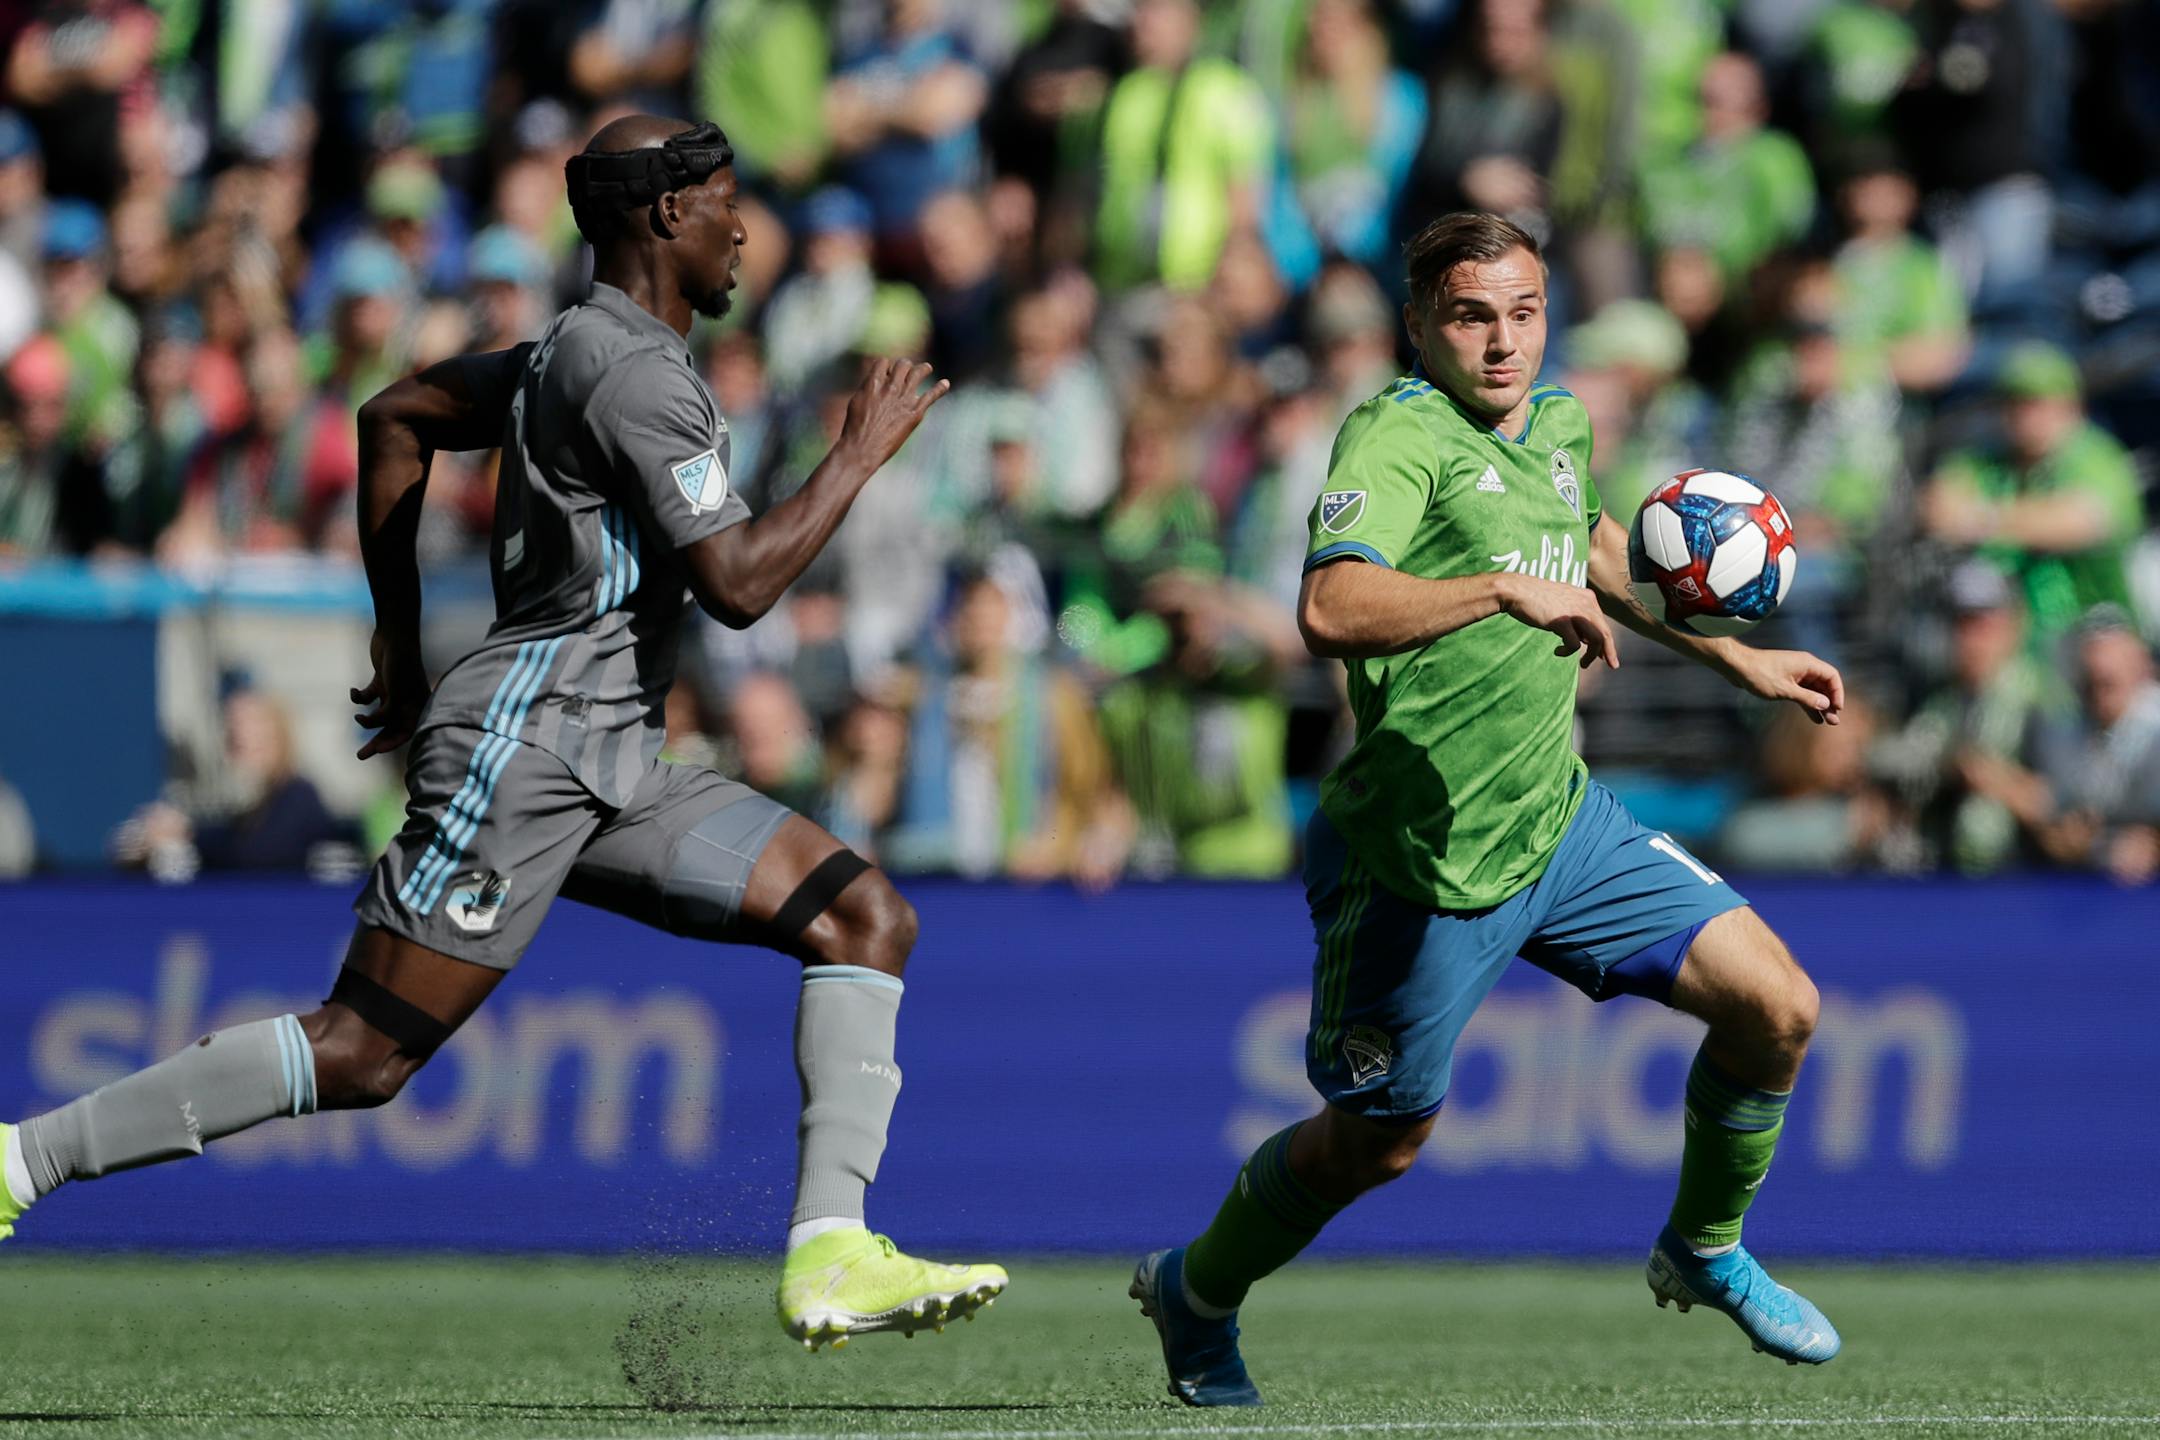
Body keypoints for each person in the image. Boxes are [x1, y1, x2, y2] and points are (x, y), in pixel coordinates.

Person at [0, 117, 1007, 1352]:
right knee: (363, 1052)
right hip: (532, 745)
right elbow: (740, 585)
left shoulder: (564, 355)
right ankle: (22, 1160)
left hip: (612, 756)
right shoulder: (634, 374)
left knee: (862, 917)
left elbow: (395, 414)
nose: (744, 229)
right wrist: (853, 457)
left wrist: (397, 645)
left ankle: (830, 1249)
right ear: (665, 215)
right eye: (724, 201)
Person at [1131, 212, 1849, 1407]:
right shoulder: (1397, 435)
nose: (1504, 342)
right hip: (1419, 865)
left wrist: (1738, 660)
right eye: (1472, 316)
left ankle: (1703, 1244)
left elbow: (1598, 551)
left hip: (1560, 823)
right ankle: (1196, 1291)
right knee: (1378, 1143)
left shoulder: (1557, 422)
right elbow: (1331, 608)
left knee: (1779, 1007)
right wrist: (1498, 588)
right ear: (1421, 326)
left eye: (1524, 313)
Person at [1920, 342, 2144, 656]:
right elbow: (1938, 509)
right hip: (2014, 634)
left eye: (2040, 404)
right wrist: (2022, 520)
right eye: (2017, 404)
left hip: (2091, 627)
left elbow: (2079, 522)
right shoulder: (1984, 458)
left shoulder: (2097, 458)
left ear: (2072, 407)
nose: (2029, 417)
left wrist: (1983, 520)